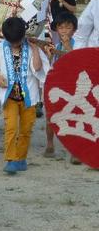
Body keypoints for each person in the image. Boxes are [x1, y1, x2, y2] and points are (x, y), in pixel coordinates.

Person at [0, 17, 49, 174]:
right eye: (11, 40)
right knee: (11, 127)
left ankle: (21, 158)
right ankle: (11, 159)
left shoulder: (32, 48)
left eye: (18, 40)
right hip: (10, 97)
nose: (15, 44)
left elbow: (38, 67)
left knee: (26, 129)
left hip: (29, 97)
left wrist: (35, 49)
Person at [44, 11, 77, 158]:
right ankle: (50, 144)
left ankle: (75, 149)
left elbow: (75, 58)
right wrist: (50, 54)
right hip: (56, 83)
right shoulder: (55, 44)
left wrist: (66, 45)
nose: (64, 30)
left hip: (72, 85)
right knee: (51, 116)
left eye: (67, 27)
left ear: (74, 29)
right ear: (56, 29)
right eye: (61, 27)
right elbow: (51, 63)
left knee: (73, 117)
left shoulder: (77, 44)